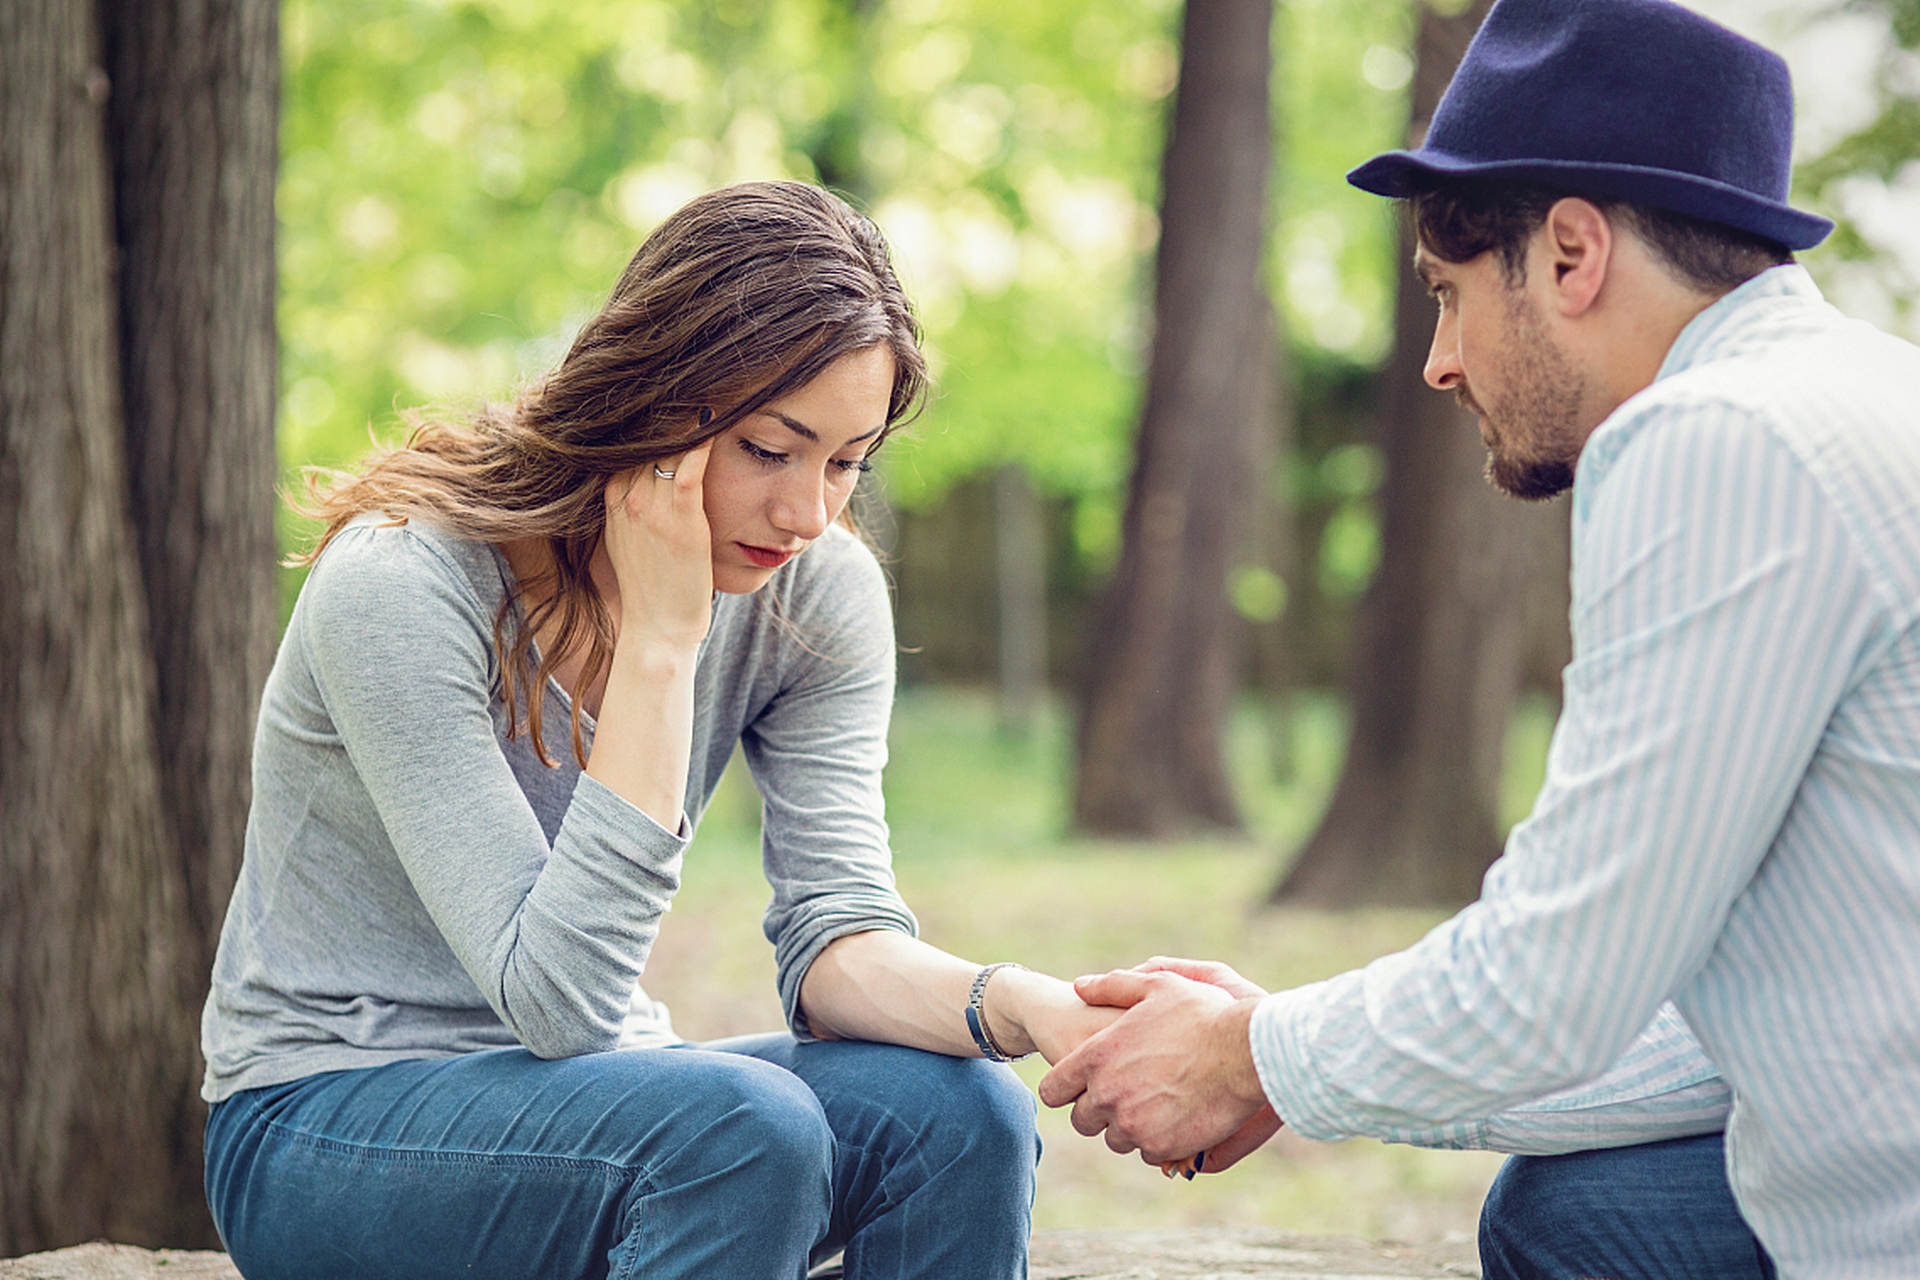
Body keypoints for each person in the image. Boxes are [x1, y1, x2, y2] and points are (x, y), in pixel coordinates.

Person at [1037, 2, 1920, 1277]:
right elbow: (1729, 1024)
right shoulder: (1869, 389)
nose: (1440, 363)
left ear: (1570, 253)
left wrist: (1246, 1054)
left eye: (1450, 296)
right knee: (1572, 1210)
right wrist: (1287, 1055)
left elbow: (1556, 980)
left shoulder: (1716, 439)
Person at [200, 179, 1115, 1280]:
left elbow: (837, 941)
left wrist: (1019, 1002)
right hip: (323, 1122)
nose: (810, 513)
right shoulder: (401, 581)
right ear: (657, 406)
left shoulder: (813, 594)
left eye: (848, 461)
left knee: (961, 1108)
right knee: (742, 1130)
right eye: (772, 450)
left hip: (614, 1106)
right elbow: (559, 1004)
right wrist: (661, 646)